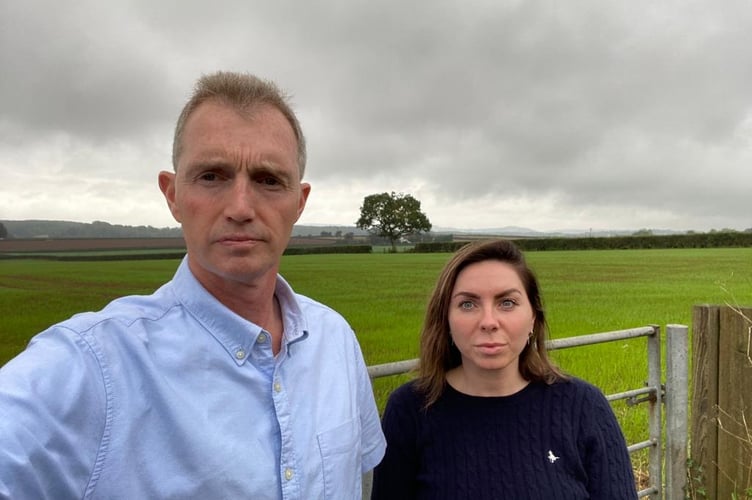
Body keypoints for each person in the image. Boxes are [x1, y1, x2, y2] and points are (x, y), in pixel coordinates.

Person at [0, 71, 385, 499]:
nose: (241, 207)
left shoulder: (336, 340)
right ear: (172, 195)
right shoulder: (94, 367)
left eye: (268, 180)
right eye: (212, 176)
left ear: (300, 201)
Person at [371, 239, 637, 499]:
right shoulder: (410, 410)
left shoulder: (583, 407)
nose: (489, 321)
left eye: (507, 303)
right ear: (446, 319)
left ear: (533, 316)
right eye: (468, 304)